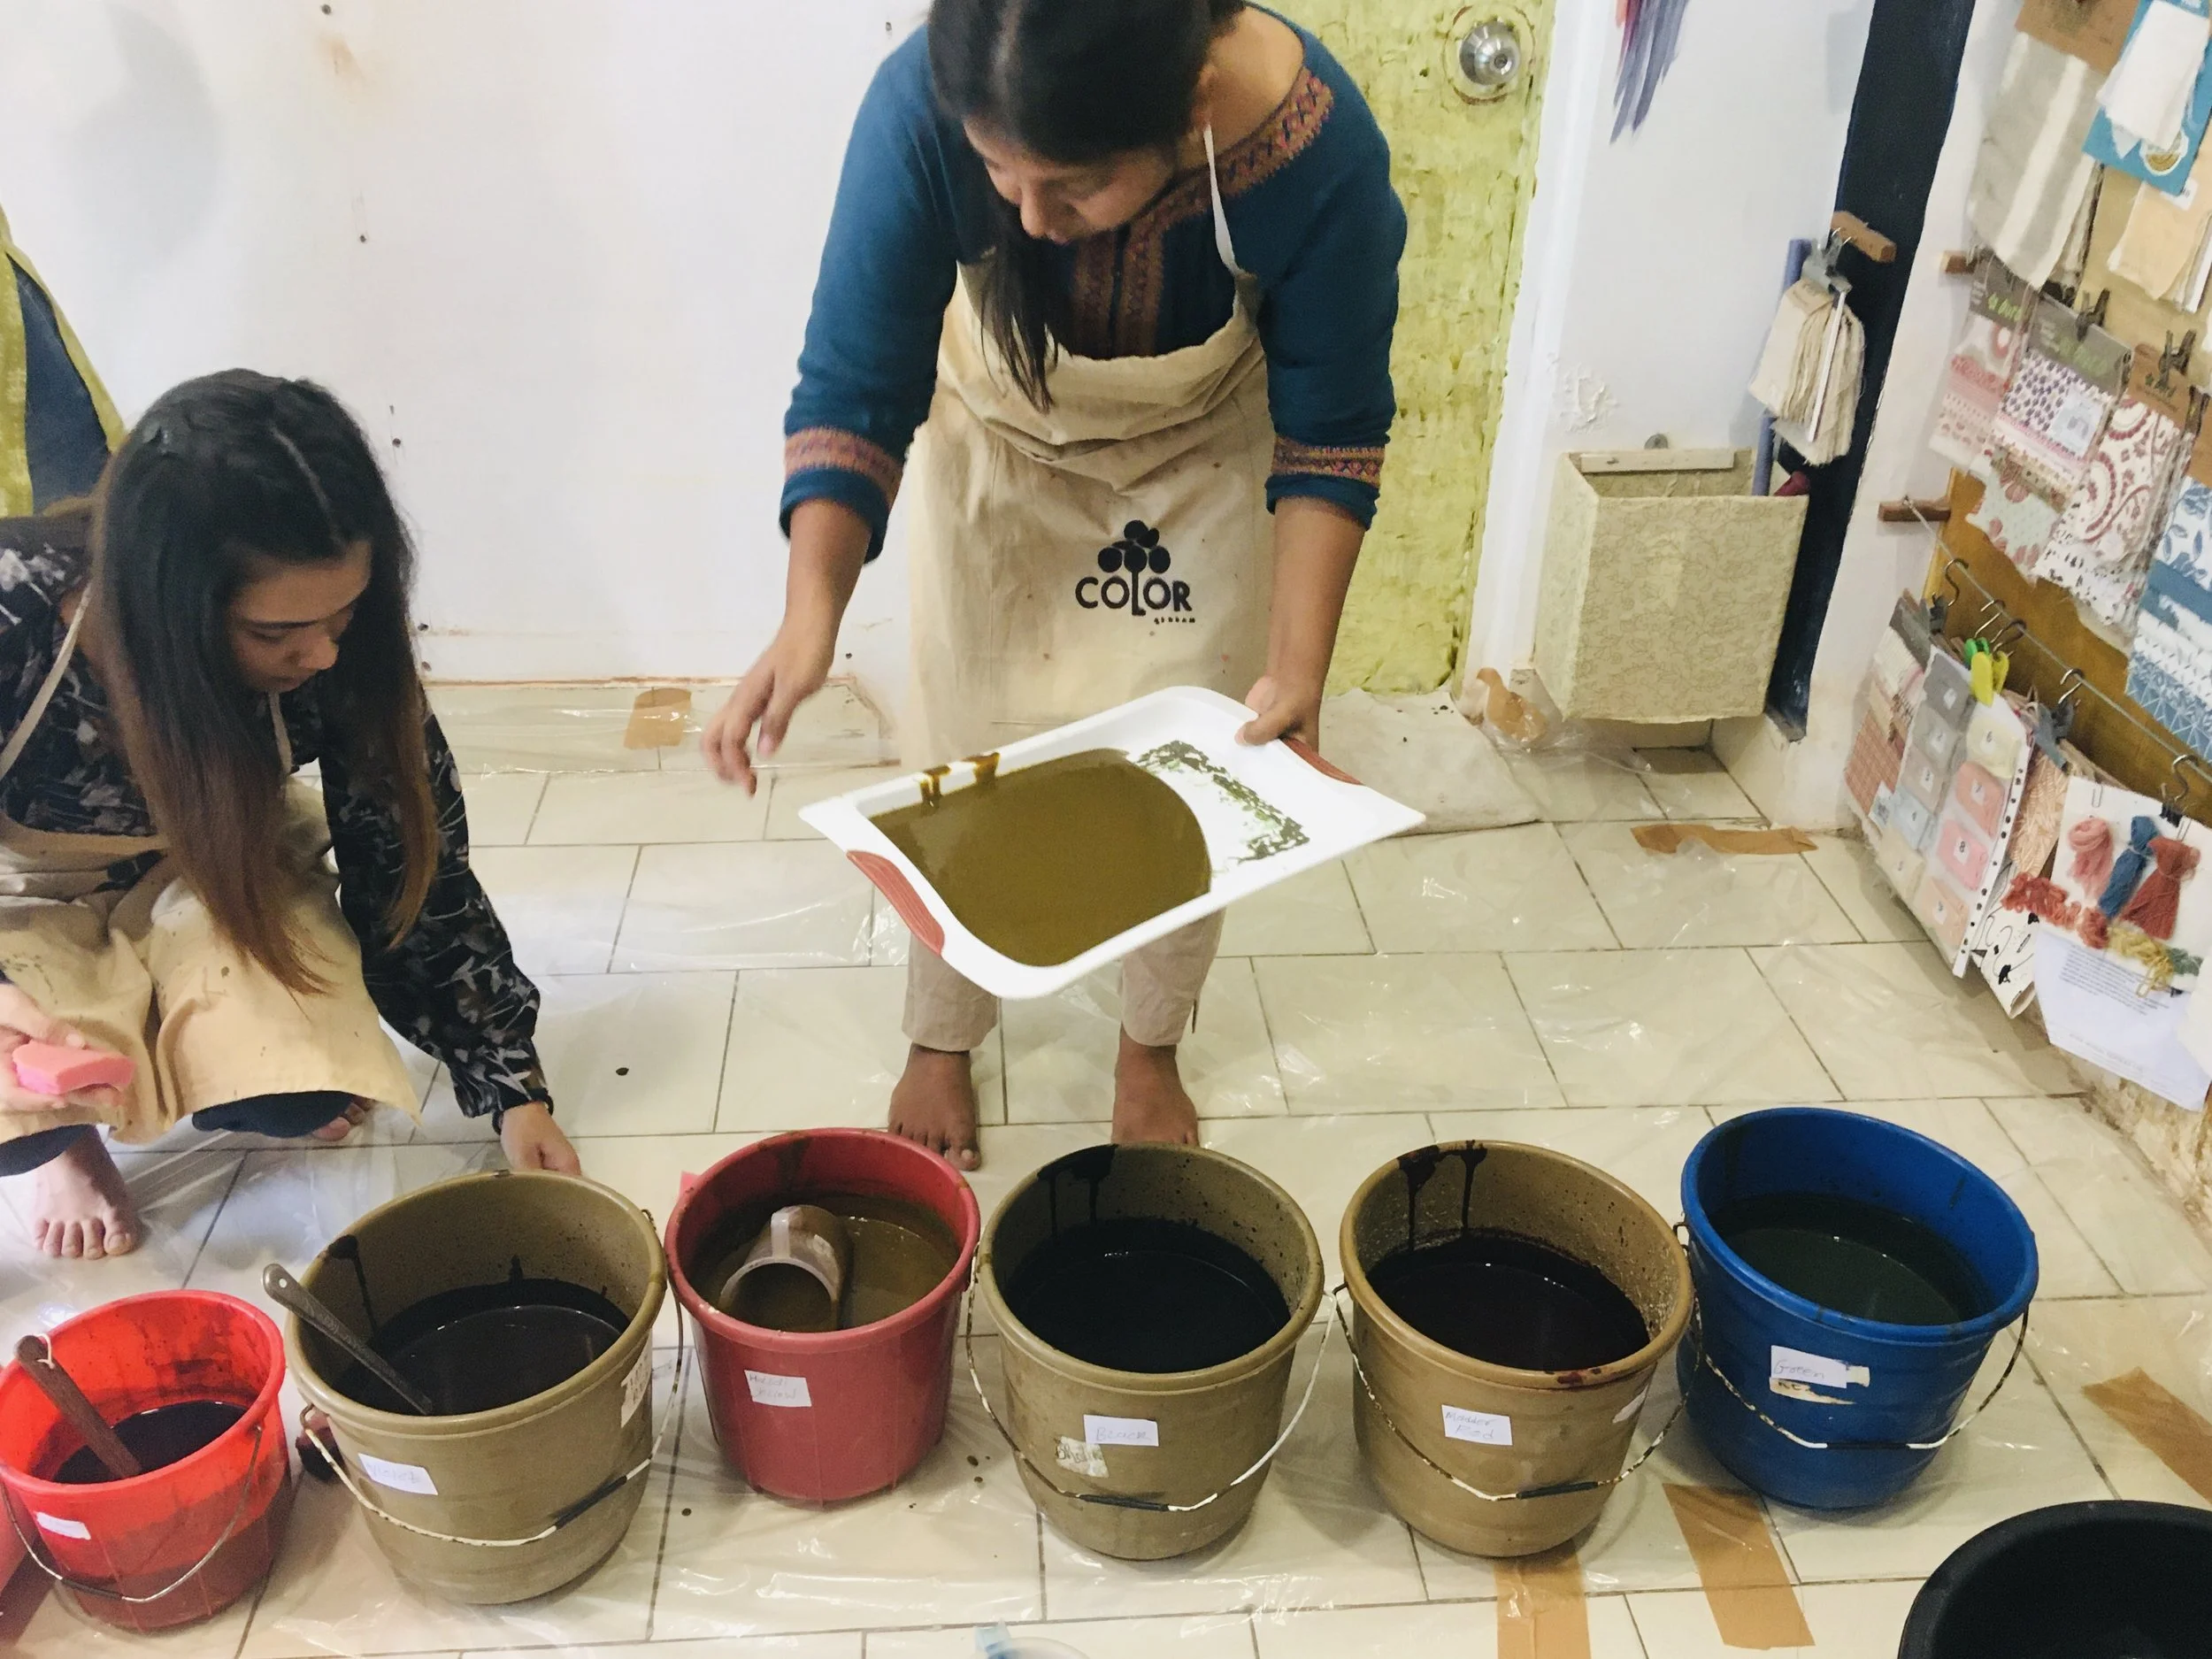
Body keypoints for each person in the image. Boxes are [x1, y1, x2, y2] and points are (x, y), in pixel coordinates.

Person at [704, 0, 1404, 1170]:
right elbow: (857, 373)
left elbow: (1332, 429)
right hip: (1004, 444)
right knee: (962, 761)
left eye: (1073, 187)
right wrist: (810, 612)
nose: (1029, 220)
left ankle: (1149, 1042)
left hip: (1199, 459)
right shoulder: (922, 106)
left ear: (1190, 102)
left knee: (1188, 775)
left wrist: (1297, 671)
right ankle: (943, 1031)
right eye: (999, 175)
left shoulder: (1318, 150)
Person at [0, 371, 577, 1260]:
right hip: (25, 899)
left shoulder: (337, 651)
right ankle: (63, 1150)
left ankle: (203, 1072)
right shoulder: (18, 609)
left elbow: (415, 864)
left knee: (299, 1089)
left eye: (343, 617)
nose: (323, 654)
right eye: (274, 635)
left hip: (212, 863)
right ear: (164, 606)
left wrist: (511, 1089)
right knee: (22, 1105)